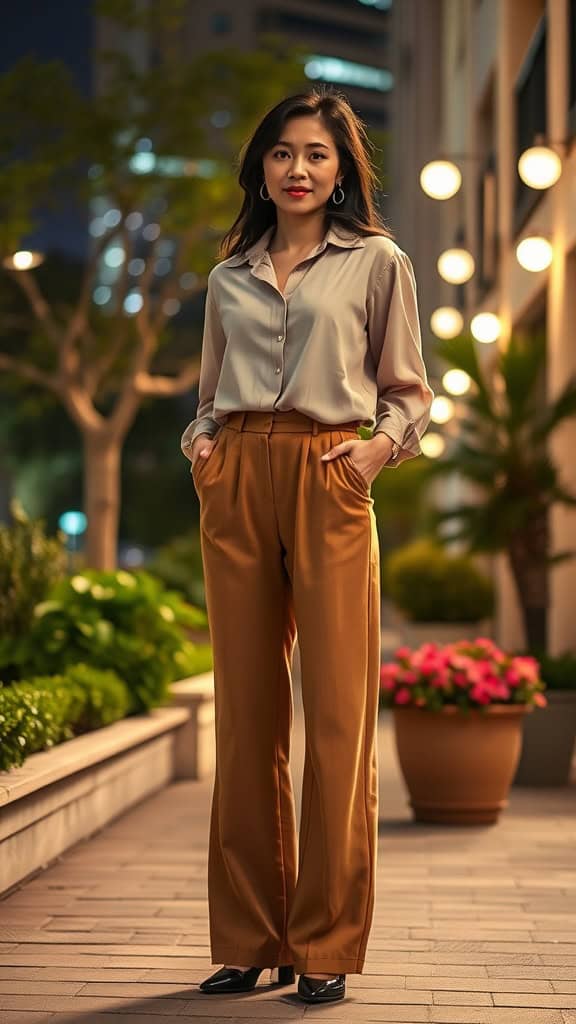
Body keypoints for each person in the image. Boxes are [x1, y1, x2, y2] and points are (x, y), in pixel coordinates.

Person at [180, 87, 434, 1005]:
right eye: (282, 153)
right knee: (246, 717)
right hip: (240, 475)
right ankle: (247, 935)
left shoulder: (376, 262)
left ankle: (324, 942)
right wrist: (205, 450)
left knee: (336, 720)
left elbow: (409, 393)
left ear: (341, 172)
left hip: (331, 475)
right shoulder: (228, 277)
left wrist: (368, 457)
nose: (297, 169)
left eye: (317, 155)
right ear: (262, 167)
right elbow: (207, 396)